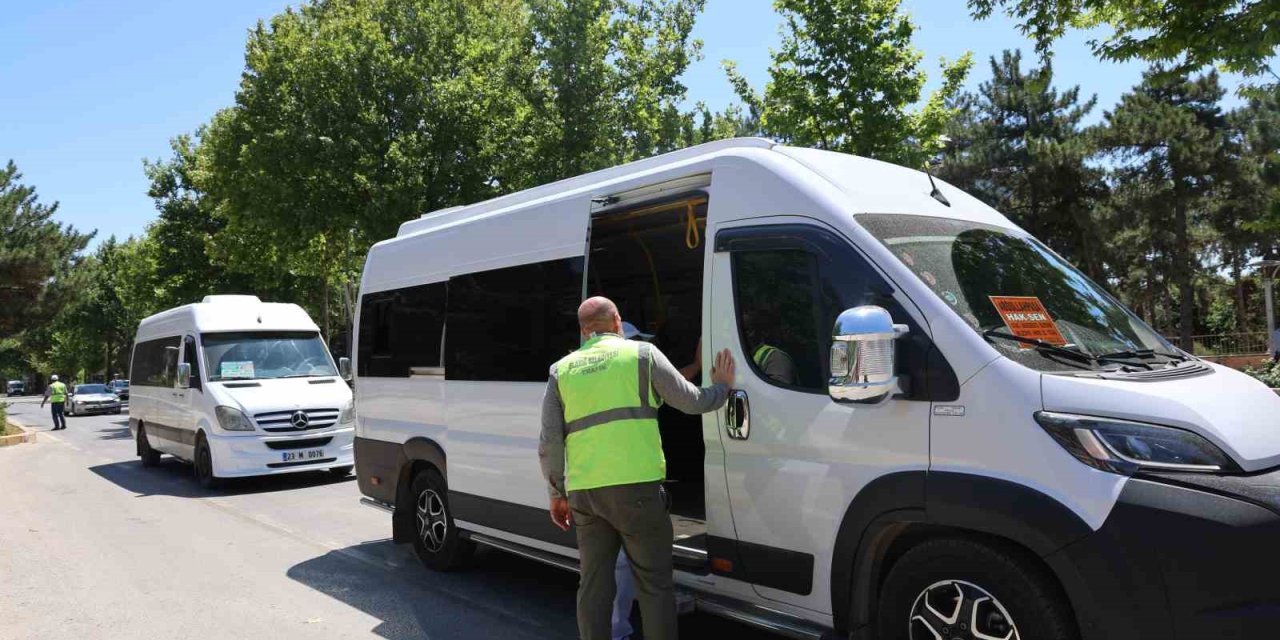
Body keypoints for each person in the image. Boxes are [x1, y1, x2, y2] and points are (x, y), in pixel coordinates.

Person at [540, 296, 736, 640]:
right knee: (654, 586)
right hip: (637, 493)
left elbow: (550, 443)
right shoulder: (641, 355)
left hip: (586, 495)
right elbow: (690, 401)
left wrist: (557, 493)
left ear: (584, 331)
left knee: (593, 585)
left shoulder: (561, 371)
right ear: (618, 322)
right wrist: (721, 387)